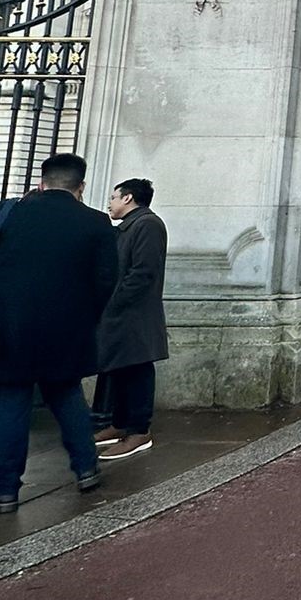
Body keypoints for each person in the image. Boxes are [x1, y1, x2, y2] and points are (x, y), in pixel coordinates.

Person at [0, 152, 119, 514]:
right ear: (80, 186)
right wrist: (86, 317)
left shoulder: (8, 213)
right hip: (67, 328)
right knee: (68, 399)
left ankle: (5, 490)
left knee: (11, 405)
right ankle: (85, 468)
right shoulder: (97, 223)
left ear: (41, 181)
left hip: (10, 326)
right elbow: (105, 282)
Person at [92, 178, 169, 461]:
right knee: (123, 368)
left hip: (134, 313)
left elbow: (142, 272)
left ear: (128, 198)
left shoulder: (147, 224)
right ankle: (120, 423)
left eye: (113, 197)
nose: (110, 203)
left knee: (137, 369)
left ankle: (138, 431)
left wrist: (114, 302)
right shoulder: (130, 226)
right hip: (123, 312)